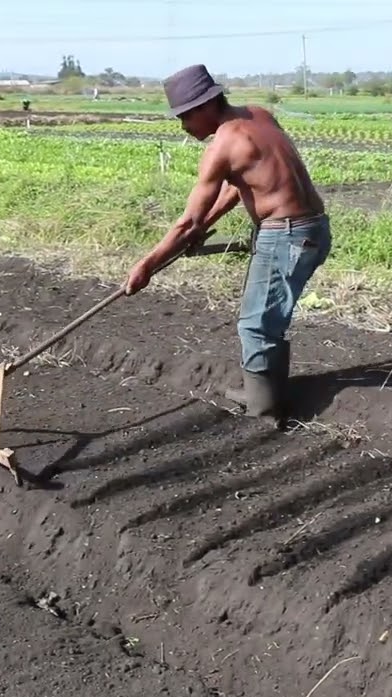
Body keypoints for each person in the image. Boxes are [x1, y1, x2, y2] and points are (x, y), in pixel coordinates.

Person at [123, 63, 332, 425]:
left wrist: (148, 265)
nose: (184, 127)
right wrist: (206, 225)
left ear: (205, 106)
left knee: (255, 325)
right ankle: (267, 393)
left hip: (285, 234)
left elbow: (186, 221)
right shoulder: (259, 116)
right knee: (269, 318)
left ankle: (264, 412)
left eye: (185, 117)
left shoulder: (223, 144)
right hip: (314, 228)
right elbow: (239, 187)